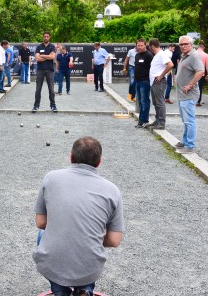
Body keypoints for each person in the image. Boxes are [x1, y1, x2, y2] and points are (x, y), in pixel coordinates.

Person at [33, 136, 124, 296]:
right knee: (88, 243)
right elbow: (114, 240)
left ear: (71, 157)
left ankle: (60, 290)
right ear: (99, 162)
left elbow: (41, 222)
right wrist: (88, 234)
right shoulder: (112, 190)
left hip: (53, 262)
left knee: (43, 234)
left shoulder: (51, 177)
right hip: (90, 268)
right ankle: (85, 289)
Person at [175, 35, 204, 154]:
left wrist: (191, 84)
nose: (183, 46)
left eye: (185, 44)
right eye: (181, 44)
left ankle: (190, 146)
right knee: (185, 119)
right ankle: (184, 141)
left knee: (189, 120)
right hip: (182, 94)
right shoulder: (184, 56)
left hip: (189, 94)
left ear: (191, 45)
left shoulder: (194, 56)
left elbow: (201, 71)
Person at [148, 38, 173, 130]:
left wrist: (161, 75)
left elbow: (170, 65)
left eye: (149, 47)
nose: (149, 49)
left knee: (159, 102)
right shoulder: (158, 55)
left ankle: (161, 122)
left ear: (152, 46)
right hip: (155, 82)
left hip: (159, 81)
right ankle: (158, 120)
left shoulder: (162, 54)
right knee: (155, 102)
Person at [32, 31, 58, 112]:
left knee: (51, 89)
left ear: (49, 37)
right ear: (43, 37)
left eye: (47, 36)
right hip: (40, 70)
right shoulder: (39, 47)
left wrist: (42, 55)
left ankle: (53, 106)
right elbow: (37, 58)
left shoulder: (52, 46)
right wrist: (47, 56)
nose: (46, 38)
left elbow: (52, 57)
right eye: (45, 36)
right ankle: (36, 106)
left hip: (49, 70)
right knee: (38, 89)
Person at [134, 38, 153, 128]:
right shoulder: (137, 55)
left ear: (145, 46)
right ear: (136, 46)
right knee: (140, 102)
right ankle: (141, 120)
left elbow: (152, 68)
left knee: (145, 101)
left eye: (142, 45)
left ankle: (144, 121)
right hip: (138, 81)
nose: (140, 47)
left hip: (145, 81)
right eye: (138, 45)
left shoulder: (149, 55)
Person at [196, 41, 208, 106]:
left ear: (198, 46)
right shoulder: (206, 55)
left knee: (192, 86)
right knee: (199, 87)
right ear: (204, 47)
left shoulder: (193, 53)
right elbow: (207, 66)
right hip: (201, 73)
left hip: (192, 73)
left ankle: (192, 100)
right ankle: (198, 101)